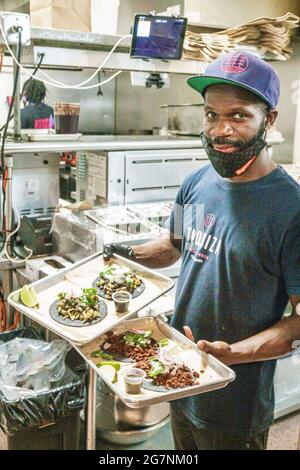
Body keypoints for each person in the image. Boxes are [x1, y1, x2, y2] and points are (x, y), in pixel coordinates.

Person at [104, 50, 300, 450]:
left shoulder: (291, 209)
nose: (220, 129)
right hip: (179, 375)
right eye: (211, 115)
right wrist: (122, 255)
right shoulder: (196, 182)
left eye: (239, 115)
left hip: (234, 400)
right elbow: (174, 246)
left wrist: (234, 354)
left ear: (270, 120)